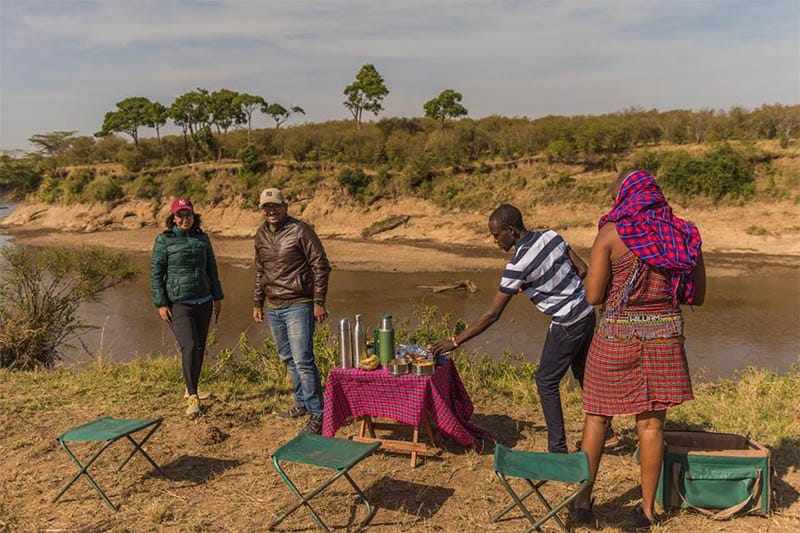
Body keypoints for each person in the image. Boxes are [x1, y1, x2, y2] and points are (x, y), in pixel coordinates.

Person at [571, 170, 706, 529]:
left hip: (615, 338)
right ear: (655, 195)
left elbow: (594, 295)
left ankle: (582, 505)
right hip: (665, 339)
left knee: (598, 419)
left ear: (624, 197)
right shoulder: (684, 234)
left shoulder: (611, 235)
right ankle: (646, 512)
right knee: (650, 427)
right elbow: (699, 295)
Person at [431, 204, 614, 454]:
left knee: (546, 381)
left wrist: (455, 341)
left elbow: (493, 314)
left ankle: (557, 451)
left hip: (567, 322)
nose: (494, 241)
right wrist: (543, 283)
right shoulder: (551, 236)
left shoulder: (517, 266)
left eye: (496, 235)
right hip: (585, 312)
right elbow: (582, 269)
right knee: (582, 371)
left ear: (511, 230)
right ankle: (608, 433)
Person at [252, 188, 331, 434]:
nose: (271, 211)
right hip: (274, 307)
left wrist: (318, 301)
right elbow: (259, 271)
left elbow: (321, 265)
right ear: (262, 210)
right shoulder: (260, 234)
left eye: (275, 206)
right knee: (288, 359)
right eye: (267, 207)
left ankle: (318, 414)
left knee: (303, 360)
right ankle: (302, 404)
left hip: (299, 304)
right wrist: (257, 302)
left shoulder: (301, 230)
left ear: (285, 206)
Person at [151, 198, 223, 418]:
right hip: (178, 302)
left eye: (188, 215)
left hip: (204, 300)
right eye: (180, 215)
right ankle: (192, 397)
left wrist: (217, 297)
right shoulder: (164, 241)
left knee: (199, 347)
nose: (185, 219)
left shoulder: (202, 239)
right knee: (189, 346)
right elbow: (156, 273)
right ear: (173, 218)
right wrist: (161, 303)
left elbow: (212, 268)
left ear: (194, 216)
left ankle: (192, 387)